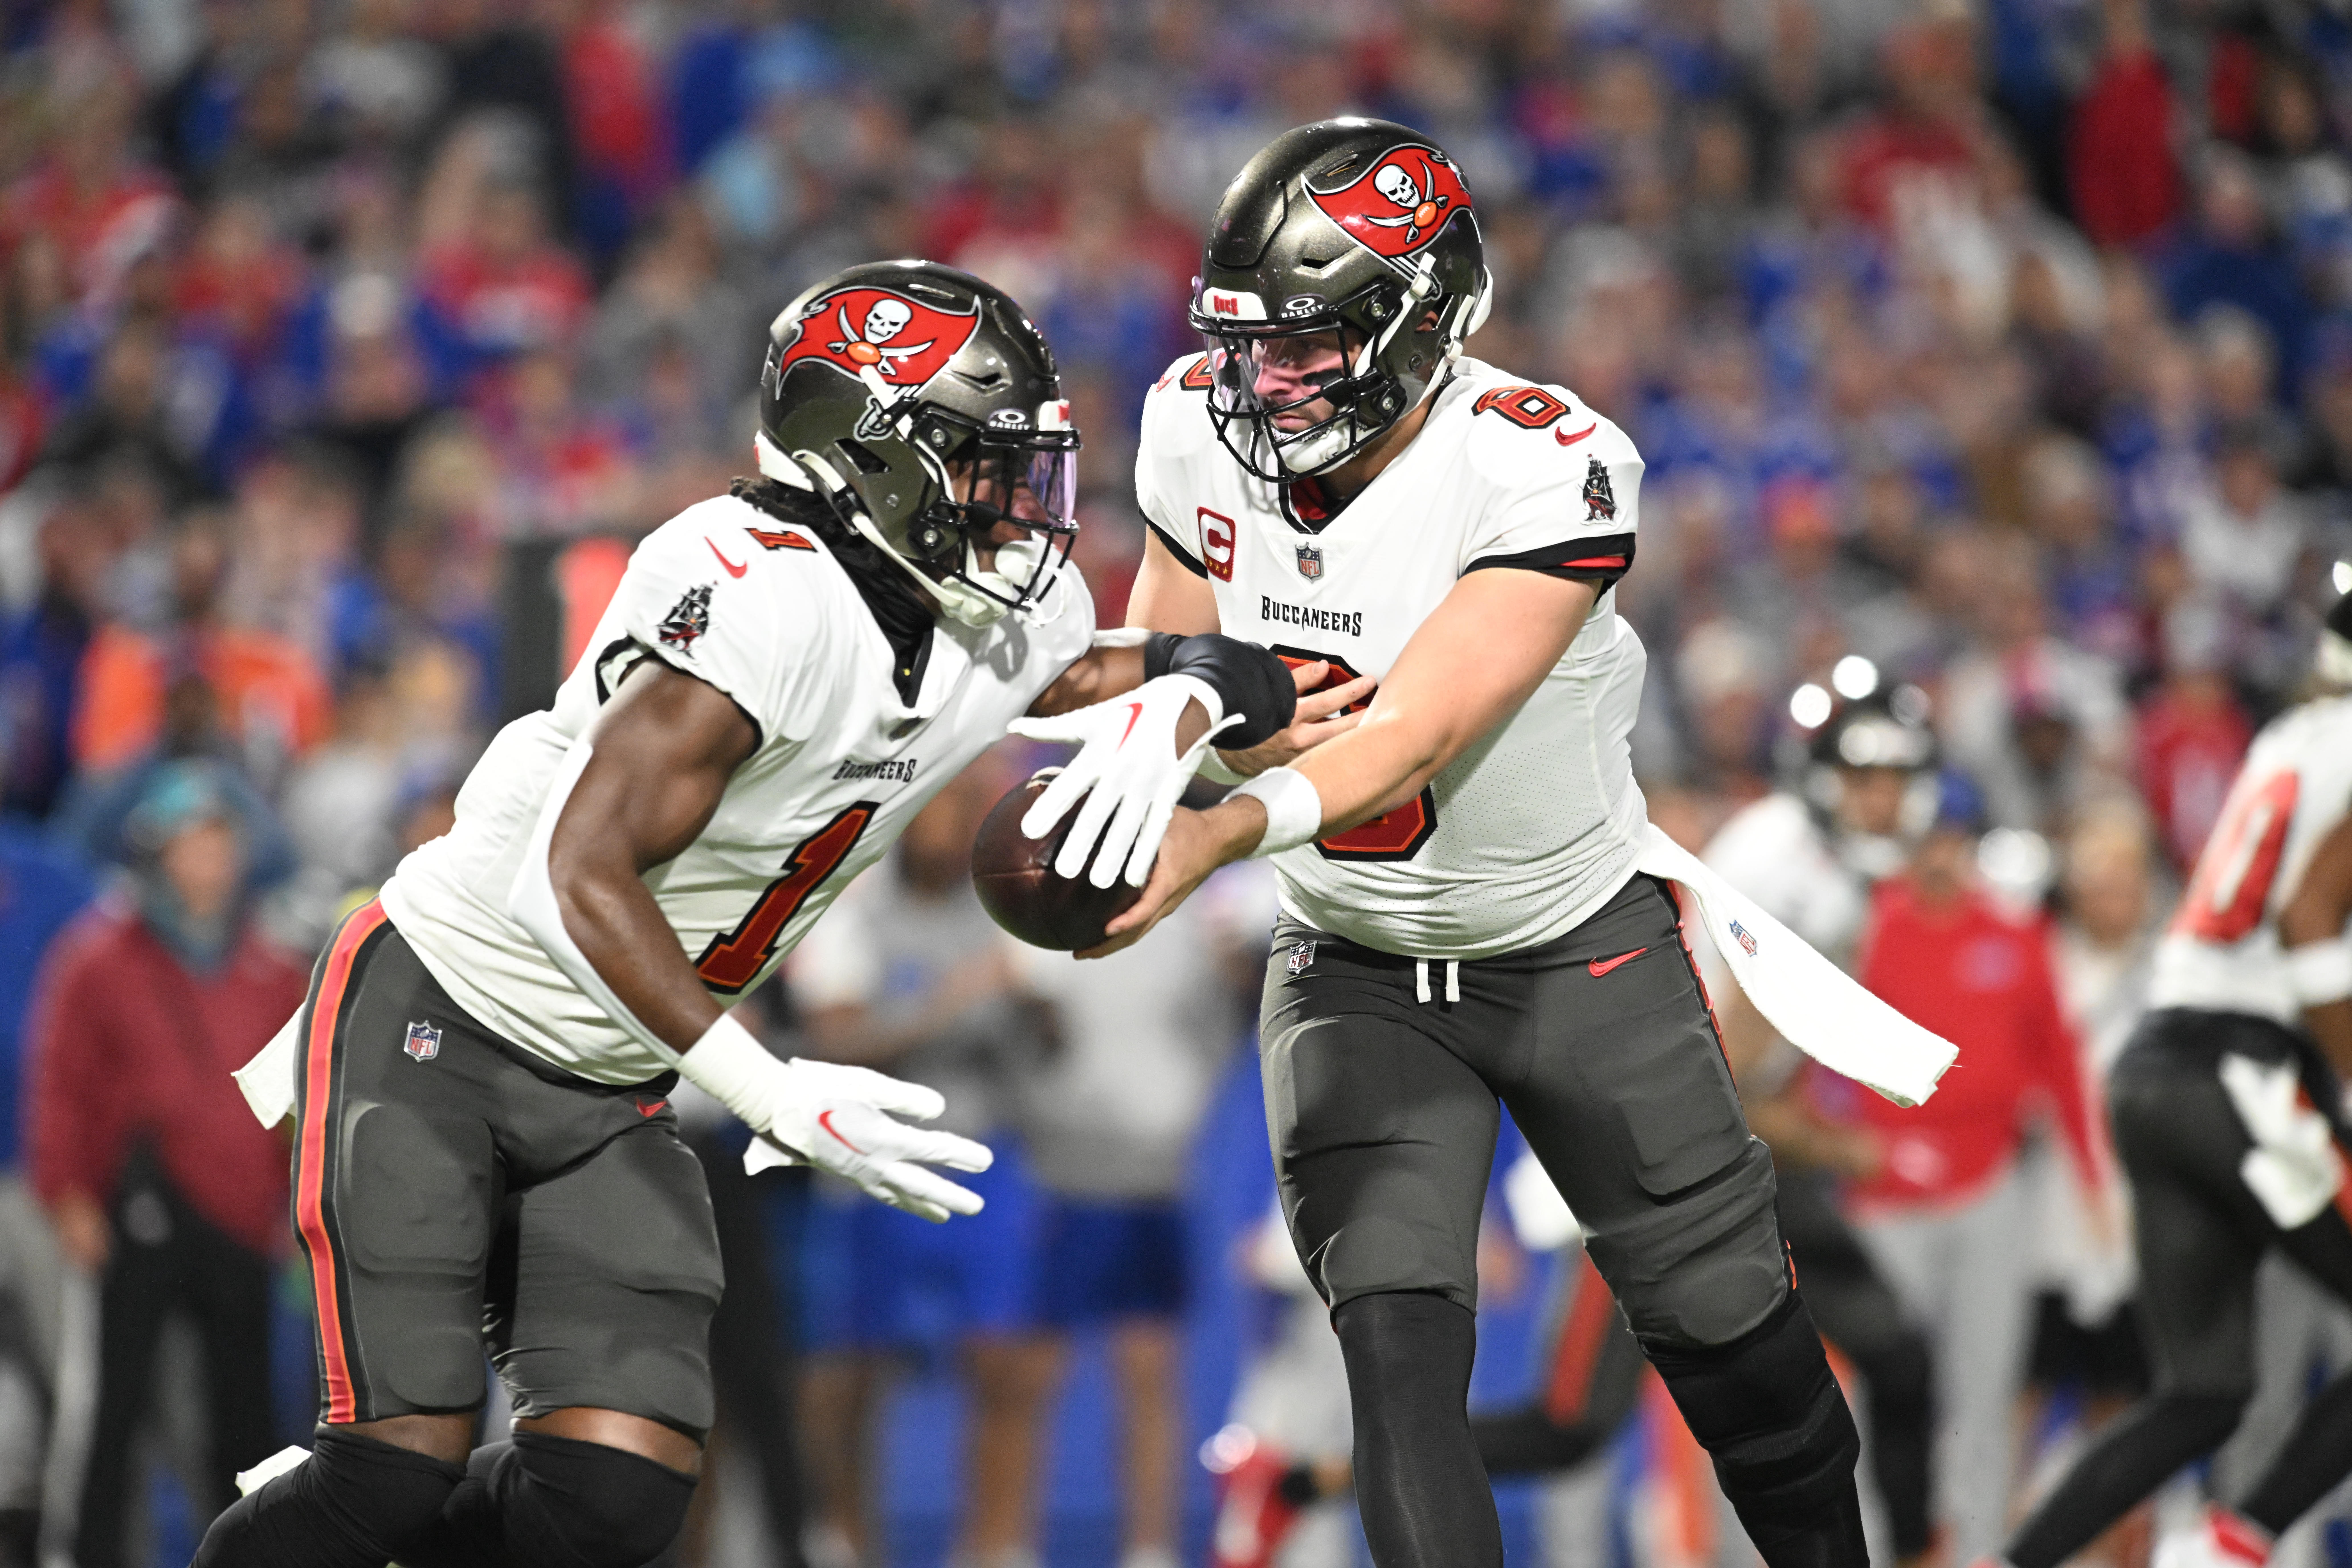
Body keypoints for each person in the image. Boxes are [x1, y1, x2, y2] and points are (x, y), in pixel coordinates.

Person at [191, 260, 1327, 1568]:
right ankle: (328, 1510)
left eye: (1024, 466)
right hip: (445, 1011)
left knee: (611, 1492)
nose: (1013, 505)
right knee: (394, 1460)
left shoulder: (976, 604)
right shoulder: (753, 586)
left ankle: (338, 1531)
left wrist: (1191, 685)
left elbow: (1096, 665)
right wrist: (770, 1087)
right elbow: (583, 869)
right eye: (977, 463)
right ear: (870, 457)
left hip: (612, 1070)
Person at [1080, 119, 1940, 1568]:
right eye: (1249, 345)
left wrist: (1219, 831)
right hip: (1353, 955)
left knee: (1746, 1361)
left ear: (1425, 323)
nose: (1264, 387)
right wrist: (1135, 765)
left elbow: (1414, 732)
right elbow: (1173, 655)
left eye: (1311, 345)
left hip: (1575, 952)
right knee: (1400, 1362)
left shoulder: (1545, 463)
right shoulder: (1190, 423)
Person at [1982, 591, 2352, 1568]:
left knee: (2205, 1389)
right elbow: (2312, 918)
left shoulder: (2292, 736)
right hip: (2242, 1070)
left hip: (2162, 1071)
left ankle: (2012, 1563)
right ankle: (2236, 1545)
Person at [22, 762, 309, 1568]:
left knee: (248, 1417)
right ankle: (82, 1556)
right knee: (110, 1413)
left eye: (220, 844)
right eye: (192, 845)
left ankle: (247, 1558)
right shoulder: (100, 958)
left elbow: (295, 1097)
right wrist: (68, 1194)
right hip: (136, 1210)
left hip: (240, 1216)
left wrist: (293, 1201)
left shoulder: (268, 964)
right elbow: (61, 1081)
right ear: (159, 854)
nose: (208, 863)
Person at [1698, 685, 1943, 1567]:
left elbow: (1769, 1070)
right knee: (1780, 1395)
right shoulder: (1796, 872)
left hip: (1730, 1147)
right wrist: (1846, 1145)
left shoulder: (1819, 861)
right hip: (1695, 1157)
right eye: (1864, 776)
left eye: (1895, 777)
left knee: (1870, 1366)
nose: (1882, 799)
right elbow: (1729, 1075)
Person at [787, 765, 1049, 1568]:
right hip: (876, 1168)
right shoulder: (855, 914)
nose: (950, 824)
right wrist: (949, 1004)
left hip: (988, 1159)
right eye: (939, 806)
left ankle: (994, 1547)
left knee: (1003, 1362)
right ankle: (845, 1541)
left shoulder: (1011, 914)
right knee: (852, 1372)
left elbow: (1045, 1042)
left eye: (966, 807)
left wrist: (1039, 1011)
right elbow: (832, 1040)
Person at [1843, 776, 2104, 1564]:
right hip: (1885, 1197)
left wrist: (2093, 1183)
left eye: (1951, 837)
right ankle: (1874, 1549)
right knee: (1877, 1393)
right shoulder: (1865, 929)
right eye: (1927, 838)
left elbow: (2059, 1063)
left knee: (1984, 1396)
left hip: (1988, 1189)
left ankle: (1980, 1554)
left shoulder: (2015, 936)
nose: (1939, 854)